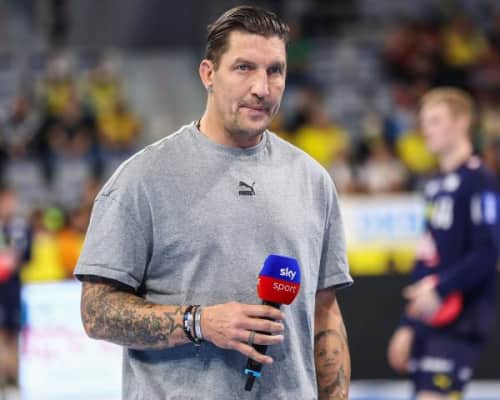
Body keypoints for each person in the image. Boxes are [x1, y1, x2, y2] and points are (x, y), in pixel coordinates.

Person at [75, 6, 353, 400]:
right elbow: (96, 313)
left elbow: (325, 313)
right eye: (244, 68)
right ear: (208, 74)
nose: (262, 87)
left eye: (275, 71)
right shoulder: (142, 179)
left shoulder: (313, 182)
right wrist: (200, 322)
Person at [387, 87, 499, 400]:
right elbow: (427, 256)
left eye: (435, 121)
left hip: (461, 319)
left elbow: (488, 250)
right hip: (429, 318)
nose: (426, 129)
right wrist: (409, 323)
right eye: (424, 122)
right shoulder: (434, 185)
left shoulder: (480, 179)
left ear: (462, 122)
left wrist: (440, 289)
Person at [0, 185, 32, 389]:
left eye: (12, 200)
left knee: (14, 333)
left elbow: (28, 255)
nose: (10, 205)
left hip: (13, 289)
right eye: (6, 200)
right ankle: (3, 377)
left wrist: (13, 259)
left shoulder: (20, 227)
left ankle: (13, 378)